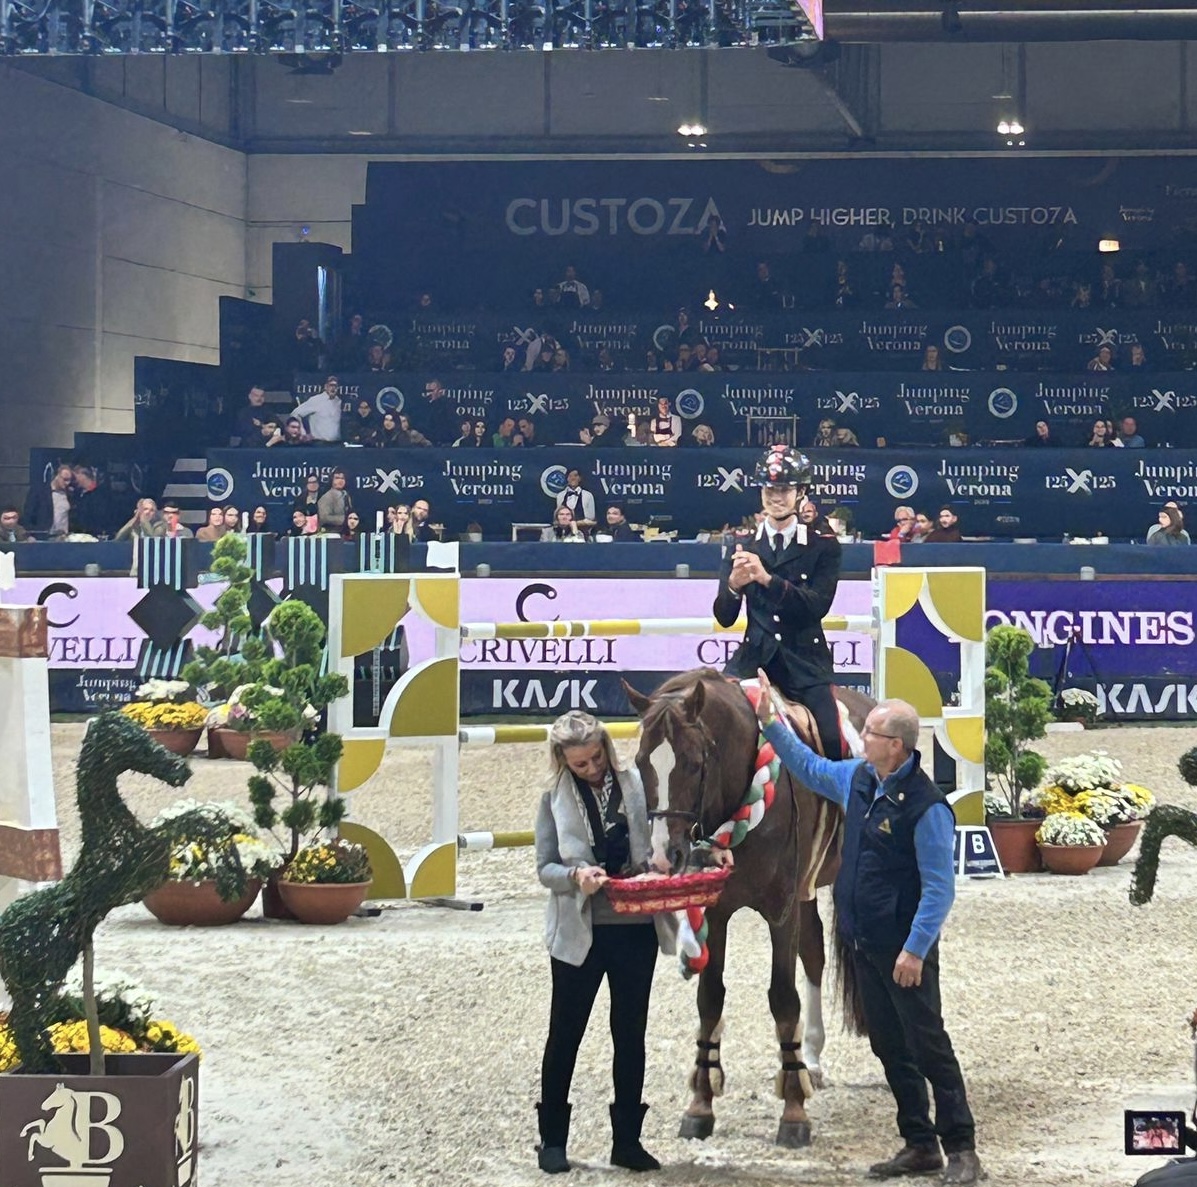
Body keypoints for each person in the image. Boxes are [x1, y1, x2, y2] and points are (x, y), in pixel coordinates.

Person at [751, 674, 982, 1186]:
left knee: (929, 1045)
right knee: (887, 1044)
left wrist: (915, 949)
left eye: (872, 733)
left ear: (894, 745)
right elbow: (810, 768)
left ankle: (961, 1146)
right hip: (861, 942)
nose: (863, 738)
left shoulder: (927, 809)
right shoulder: (858, 778)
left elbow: (939, 889)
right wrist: (771, 723)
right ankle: (919, 1142)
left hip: (903, 951)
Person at [533, 710, 684, 1175]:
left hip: (633, 926)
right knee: (566, 1035)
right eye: (581, 764)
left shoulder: (637, 781)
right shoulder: (552, 797)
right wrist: (577, 875)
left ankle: (628, 1141)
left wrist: (672, 862)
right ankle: (552, 1140)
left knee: (630, 1034)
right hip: (580, 932)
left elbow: (661, 839)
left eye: (597, 757)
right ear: (562, 760)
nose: (592, 767)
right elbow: (544, 869)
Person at [713, 445, 844, 761]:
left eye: (784, 489)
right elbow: (724, 616)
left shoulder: (822, 546)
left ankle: (842, 804)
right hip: (753, 659)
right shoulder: (741, 543)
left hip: (804, 663)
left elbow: (816, 607)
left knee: (833, 737)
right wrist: (732, 585)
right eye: (770, 489)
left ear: (800, 493)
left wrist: (767, 580)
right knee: (711, 719)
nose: (776, 496)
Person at [24, 463, 74, 539]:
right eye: (65, 479)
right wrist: (30, 535)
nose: (67, 483)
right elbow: (29, 513)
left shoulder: (70, 494)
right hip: (43, 536)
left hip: (63, 537)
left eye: (69, 480)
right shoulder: (39, 492)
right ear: (56, 476)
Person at [291, 376, 344, 444]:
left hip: (336, 444)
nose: (333, 388)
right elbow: (295, 413)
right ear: (325, 387)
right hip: (319, 444)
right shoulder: (316, 400)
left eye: (335, 386)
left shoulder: (338, 401)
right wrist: (302, 431)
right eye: (331, 385)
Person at [317, 469, 353, 533]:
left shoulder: (346, 495)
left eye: (342, 478)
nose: (340, 481)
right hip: (331, 533)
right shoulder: (326, 497)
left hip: (346, 532)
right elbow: (324, 518)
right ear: (332, 480)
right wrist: (345, 519)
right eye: (337, 478)